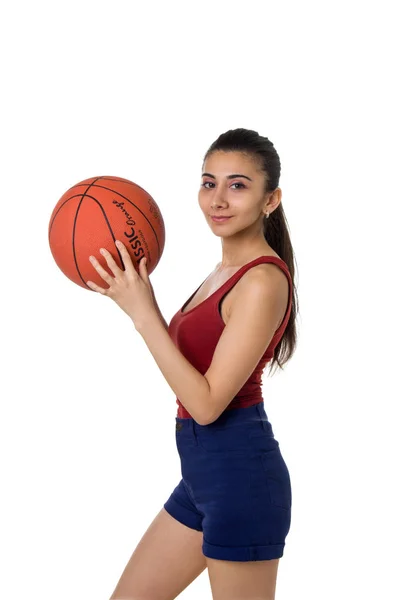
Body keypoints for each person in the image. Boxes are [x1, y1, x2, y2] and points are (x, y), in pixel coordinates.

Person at [108, 128, 298, 600]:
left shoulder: (262, 282)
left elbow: (208, 404)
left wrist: (143, 313)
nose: (218, 199)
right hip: (202, 480)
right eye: (208, 182)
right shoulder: (223, 272)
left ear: (270, 199)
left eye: (238, 185)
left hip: (241, 481)